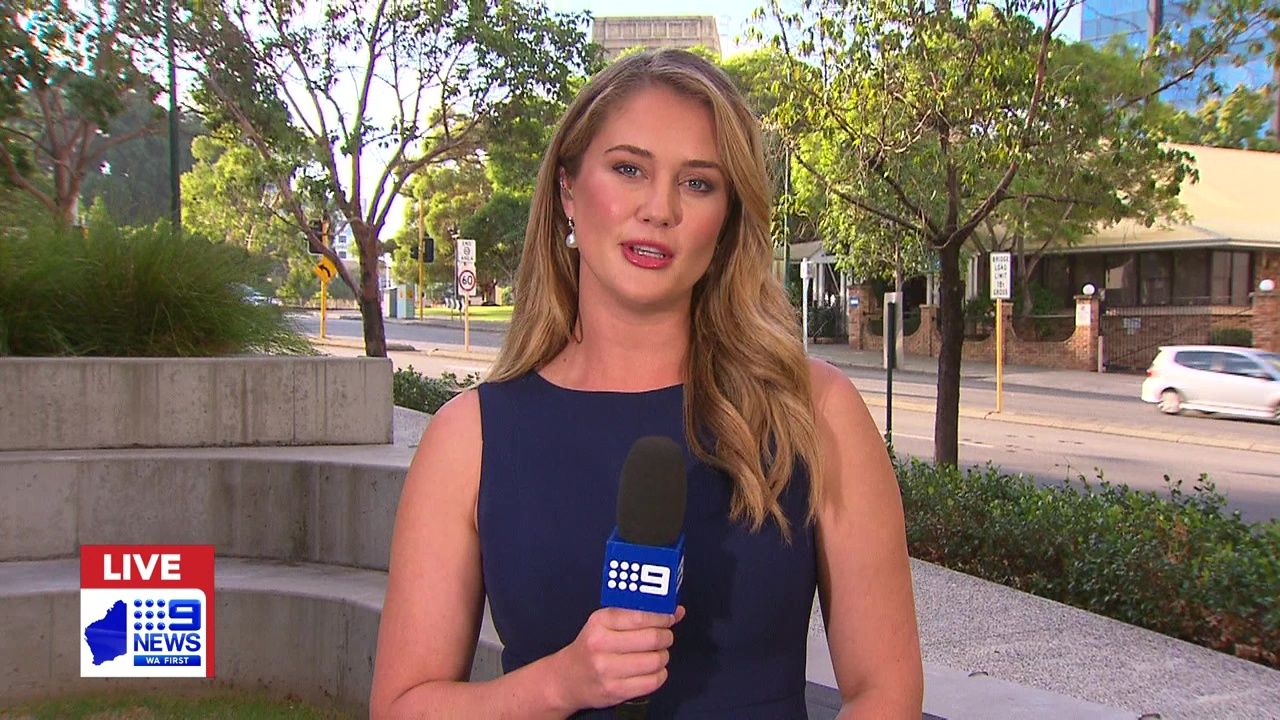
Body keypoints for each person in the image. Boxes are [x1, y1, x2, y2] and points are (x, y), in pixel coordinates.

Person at [369, 49, 922, 718]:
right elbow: (401, 705)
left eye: (698, 183)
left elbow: (886, 692)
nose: (660, 209)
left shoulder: (813, 409)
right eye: (629, 169)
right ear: (568, 191)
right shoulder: (470, 437)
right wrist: (560, 684)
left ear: (727, 219)